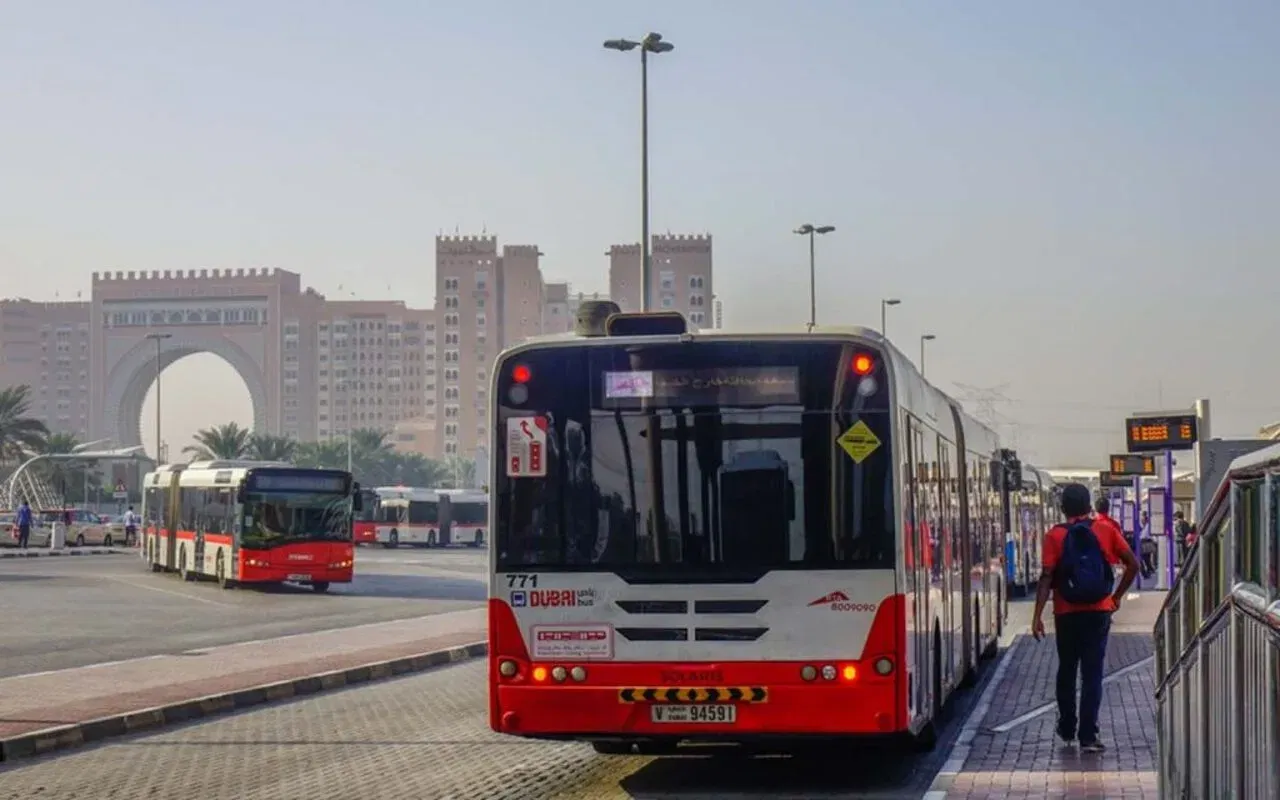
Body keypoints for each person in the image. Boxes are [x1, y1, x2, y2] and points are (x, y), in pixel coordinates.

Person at [1032, 483, 1140, 753]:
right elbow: (1133, 565)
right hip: (1099, 611)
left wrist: (1037, 616)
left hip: (1066, 613)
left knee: (1067, 669)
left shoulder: (1054, 536)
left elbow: (1047, 577)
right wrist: (1116, 597)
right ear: (1089, 506)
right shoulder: (1106, 530)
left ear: (1062, 508)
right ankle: (1088, 736)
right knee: (1092, 674)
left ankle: (1067, 726)